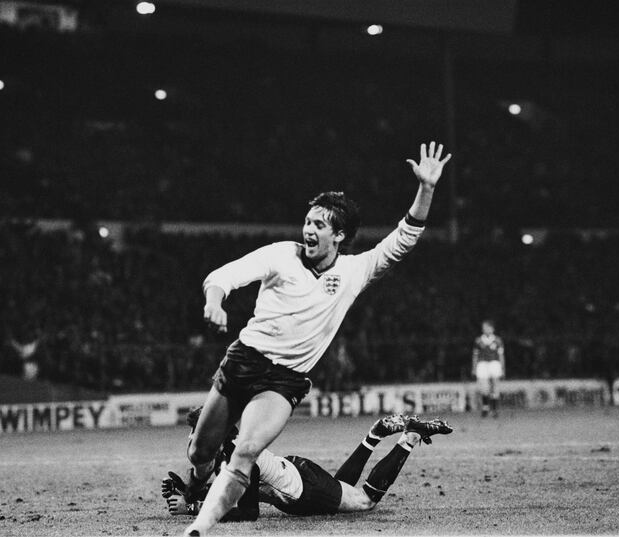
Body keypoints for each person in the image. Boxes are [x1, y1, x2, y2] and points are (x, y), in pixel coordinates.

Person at [183, 142, 452, 535]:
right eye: (307, 221)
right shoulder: (280, 255)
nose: (308, 229)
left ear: (338, 235)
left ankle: (196, 531)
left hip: (284, 380)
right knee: (200, 451)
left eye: (319, 225)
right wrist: (214, 300)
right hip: (244, 360)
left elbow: (405, 237)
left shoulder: (355, 270)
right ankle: (198, 480)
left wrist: (426, 189)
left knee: (246, 451)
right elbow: (223, 276)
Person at [163, 408, 452, 520]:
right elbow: (224, 490)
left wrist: (192, 508)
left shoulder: (240, 459)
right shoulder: (229, 451)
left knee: (364, 502)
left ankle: (410, 437)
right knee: (344, 488)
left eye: (197, 433)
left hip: (306, 490)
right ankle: (374, 435)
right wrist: (187, 490)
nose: (192, 439)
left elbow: (249, 511)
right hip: (299, 471)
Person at [471, 320, 506, 417]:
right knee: (484, 388)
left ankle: (494, 409)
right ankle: (485, 407)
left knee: (495, 385)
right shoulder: (478, 341)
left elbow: (501, 356)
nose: (484, 329)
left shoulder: (498, 340)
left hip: (494, 363)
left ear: (492, 328)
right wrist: (474, 368)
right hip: (482, 364)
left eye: (486, 327)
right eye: (483, 327)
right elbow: (475, 356)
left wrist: (503, 368)